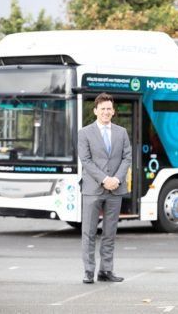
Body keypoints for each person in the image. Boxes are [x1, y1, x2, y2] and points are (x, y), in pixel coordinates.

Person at [78, 93, 132, 284]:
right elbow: (85, 160)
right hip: (93, 189)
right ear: (95, 111)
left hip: (115, 189)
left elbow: (127, 158)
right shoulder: (84, 133)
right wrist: (104, 179)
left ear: (113, 111)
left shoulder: (121, 132)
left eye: (109, 109)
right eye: (103, 109)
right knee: (89, 232)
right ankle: (88, 271)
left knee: (110, 233)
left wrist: (116, 178)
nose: (106, 112)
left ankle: (106, 271)